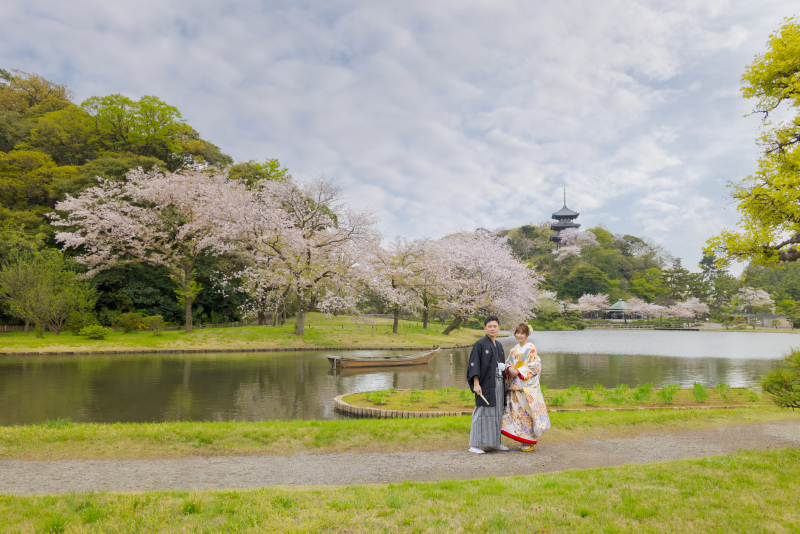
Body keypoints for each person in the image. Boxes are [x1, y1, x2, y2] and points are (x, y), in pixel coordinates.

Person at [500, 323, 551, 452]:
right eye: (517, 333)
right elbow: (508, 362)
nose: (519, 335)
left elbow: (534, 365)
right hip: (515, 387)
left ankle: (530, 440)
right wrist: (510, 368)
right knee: (517, 413)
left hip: (525, 386)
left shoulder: (531, 348)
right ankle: (523, 439)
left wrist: (519, 371)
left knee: (527, 413)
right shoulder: (513, 349)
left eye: (522, 333)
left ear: (527, 334)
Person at [467, 315, 509, 454]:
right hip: (485, 384)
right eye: (489, 326)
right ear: (485, 328)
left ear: (499, 328)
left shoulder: (499, 345)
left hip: (497, 384)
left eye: (494, 326)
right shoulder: (479, 344)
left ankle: (494, 443)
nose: (492, 329)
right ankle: (474, 444)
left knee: (497, 412)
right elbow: (474, 364)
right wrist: (476, 383)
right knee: (481, 412)